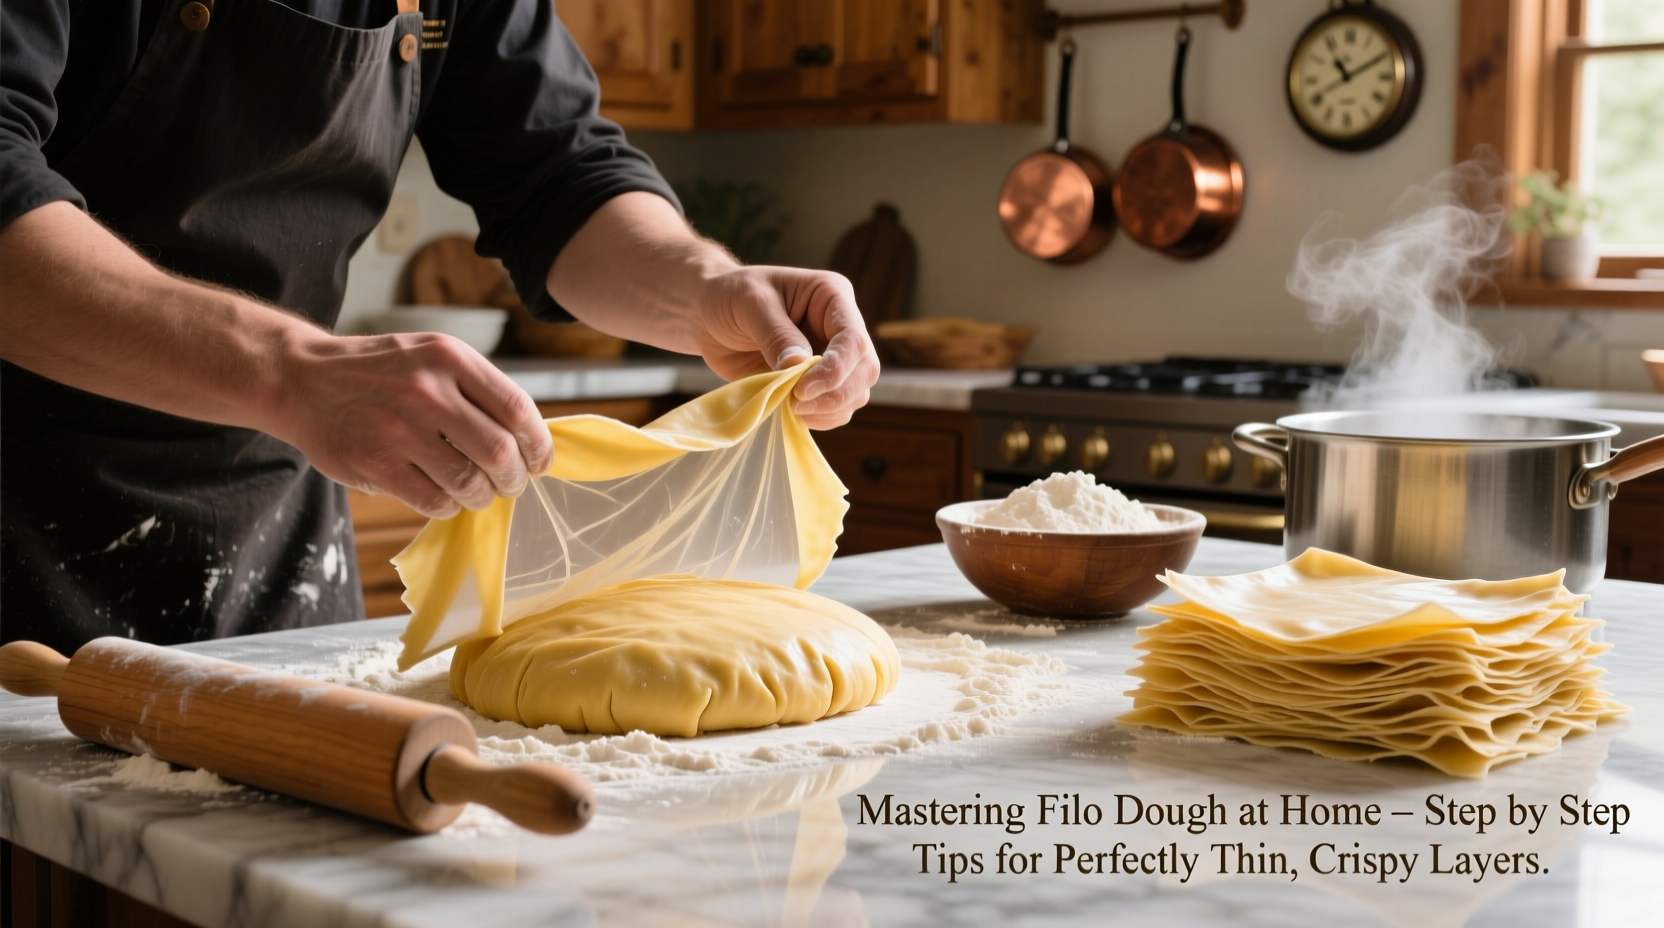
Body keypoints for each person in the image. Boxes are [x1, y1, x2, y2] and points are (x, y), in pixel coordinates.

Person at [0, 0, 880, 656]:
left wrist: (706, 288)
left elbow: (560, 175)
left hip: (273, 536)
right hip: (24, 523)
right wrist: (293, 373)